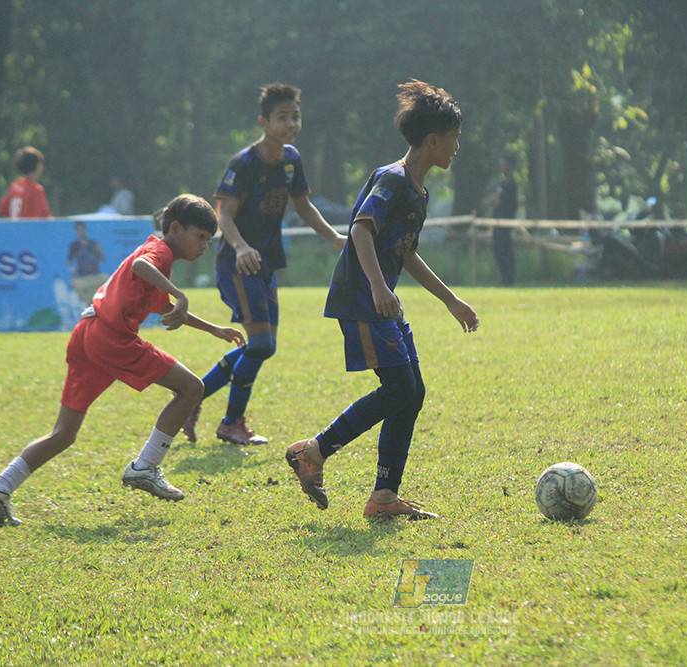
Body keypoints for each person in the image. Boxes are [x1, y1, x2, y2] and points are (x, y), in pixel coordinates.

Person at [0, 195, 245, 527]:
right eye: (200, 237)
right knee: (191, 388)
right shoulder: (159, 252)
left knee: (63, 433)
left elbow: (162, 307)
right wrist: (181, 294)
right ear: (176, 229)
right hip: (111, 339)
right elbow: (139, 266)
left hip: (88, 333)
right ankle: (145, 467)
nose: (204, 245)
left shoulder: (160, 254)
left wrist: (213, 328)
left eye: (208, 240)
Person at [285, 80, 479, 520]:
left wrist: (450, 300)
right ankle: (315, 451)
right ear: (433, 140)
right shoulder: (393, 179)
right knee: (400, 389)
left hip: (381, 300)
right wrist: (377, 286)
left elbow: (405, 252)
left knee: (411, 393)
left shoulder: (419, 191)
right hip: (362, 298)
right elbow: (360, 229)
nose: (457, 147)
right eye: (455, 139)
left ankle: (384, 498)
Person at [182, 83, 345, 446]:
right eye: (282, 118)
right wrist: (240, 247)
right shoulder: (243, 164)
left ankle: (193, 398)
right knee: (259, 344)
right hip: (238, 264)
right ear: (263, 121)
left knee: (261, 345)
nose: (291, 124)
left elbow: (303, 206)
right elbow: (223, 216)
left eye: (295, 117)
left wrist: (334, 237)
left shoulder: (291, 160)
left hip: (267, 263)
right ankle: (229, 421)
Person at [0, 146, 53, 219]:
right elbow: (44, 216)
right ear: (37, 166)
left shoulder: (15, 186)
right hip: (28, 229)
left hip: (14, 229)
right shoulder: (36, 190)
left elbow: (2, 209)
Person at [490, 155, 518, 285]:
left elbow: (507, 203)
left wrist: (498, 202)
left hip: (505, 222)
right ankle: (503, 277)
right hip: (497, 222)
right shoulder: (501, 183)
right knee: (497, 249)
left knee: (506, 249)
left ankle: (509, 279)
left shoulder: (511, 184)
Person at [68, 221, 109, 302]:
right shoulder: (75, 245)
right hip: (83, 276)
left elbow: (103, 259)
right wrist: (73, 270)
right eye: (78, 230)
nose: (81, 232)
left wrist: (100, 251)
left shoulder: (93, 244)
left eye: (82, 229)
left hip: (95, 275)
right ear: (76, 231)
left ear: (85, 230)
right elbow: (69, 261)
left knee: (107, 280)